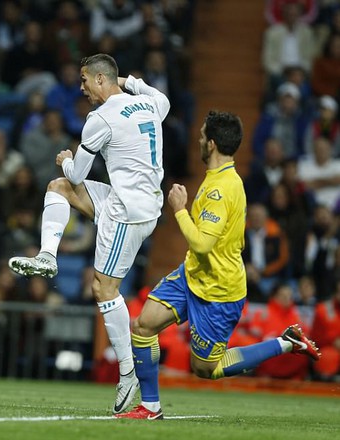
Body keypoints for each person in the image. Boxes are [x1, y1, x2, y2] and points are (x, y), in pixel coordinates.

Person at [115, 111, 321, 420]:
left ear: (211, 144)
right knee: (143, 326)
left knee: (205, 369)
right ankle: (151, 406)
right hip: (193, 274)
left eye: (201, 136)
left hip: (219, 292)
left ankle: (286, 342)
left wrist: (179, 210)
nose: (197, 140)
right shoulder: (220, 178)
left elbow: (202, 243)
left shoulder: (220, 189)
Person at [9, 53, 171, 414]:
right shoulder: (150, 104)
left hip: (127, 211)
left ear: (100, 80)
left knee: (103, 288)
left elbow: (78, 172)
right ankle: (47, 255)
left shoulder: (100, 118)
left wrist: (65, 158)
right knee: (58, 188)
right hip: (135, 201)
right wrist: (128, 81)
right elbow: (163, 98)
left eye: (85, 80)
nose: (81, 87)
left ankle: (128, 374)